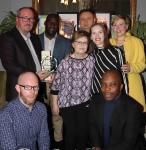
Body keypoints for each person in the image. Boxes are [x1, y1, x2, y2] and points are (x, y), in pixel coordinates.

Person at [50, 30, 95, 150]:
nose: (82, 45)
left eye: (85, 43)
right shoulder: (65, 62)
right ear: (73, 44)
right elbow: (56, 86)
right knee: (71, 132)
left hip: (85, 103)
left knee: (83, 133)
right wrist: (55, 104)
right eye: (79, 42)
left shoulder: (92, 61)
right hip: (66, 103)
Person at [0, 7, 49, 102]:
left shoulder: (35, 38)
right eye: (25, 18)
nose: (29, 21)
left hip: (37, 90)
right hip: (19, 92)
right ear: (17, 19)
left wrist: (47, 74)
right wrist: (33, 75)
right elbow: (9, 64)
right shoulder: (7, 38)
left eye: (31, 19)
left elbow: (38, 62)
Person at [39, 13, 72, 148]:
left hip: (57, 83)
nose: (53, 25)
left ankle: (58, 141)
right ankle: (44, 140)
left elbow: (67, 64)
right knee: (41, 113)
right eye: (50, 22)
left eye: (55, 23)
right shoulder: (36, 39)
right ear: (45, 23)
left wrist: (57, 76)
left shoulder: (66, 42)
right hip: (39, 83)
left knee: (56, 113)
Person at [89, 70, 143, 150]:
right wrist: (96, 146)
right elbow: (92, 125)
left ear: (121, 87)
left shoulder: (132, 108)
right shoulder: (95, 99)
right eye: (103, 84)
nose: (107, 88)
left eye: (112, 84)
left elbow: (128, 143)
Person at [0, 72, 50, 150]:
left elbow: (44, 139)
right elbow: (9, 147)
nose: (32, 91)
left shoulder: (41, 109)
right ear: (18, 88)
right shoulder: (6, 114)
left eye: (35, 87)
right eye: (27, 87)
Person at [110, 15, 146, 112]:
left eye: (121, 24)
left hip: (132, 82)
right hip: (113, 83)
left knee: (131, 116)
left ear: (126, 26)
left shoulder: (137, 42)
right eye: (114, 25)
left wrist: (131, 68)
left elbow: (143, 64)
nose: (117, 28)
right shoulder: (108, 43)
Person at [89, 23, 128, 95]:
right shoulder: (90, 54)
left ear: (105, 34)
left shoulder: (116, 51)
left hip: (112, 94)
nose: (97, 35)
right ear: (91, 37)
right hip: (95, 95)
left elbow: (123, 77)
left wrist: (124, 97)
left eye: (100, 32)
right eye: (94, 33)